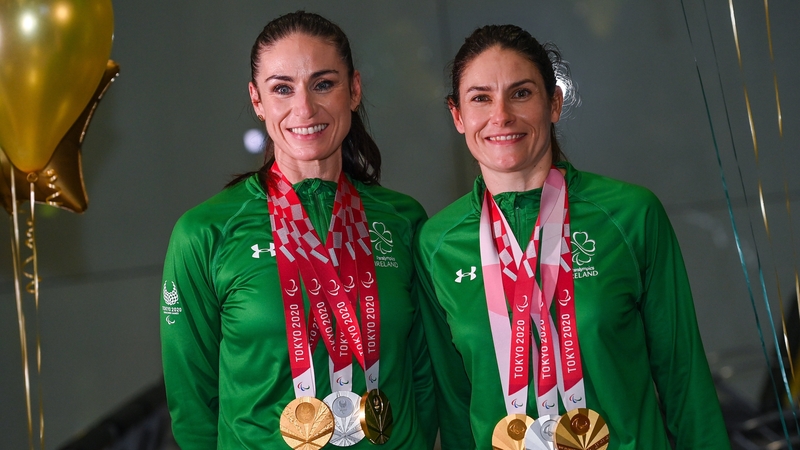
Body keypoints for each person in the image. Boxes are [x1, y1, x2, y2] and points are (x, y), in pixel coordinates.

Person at [415, 24, 730, 449]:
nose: (501, 115)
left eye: (521, 93)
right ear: (458, 116)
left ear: (554, 104)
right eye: (480, 98)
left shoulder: (630, 215)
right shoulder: (438, 243)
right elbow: (455, 406)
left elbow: (684, 380)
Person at [160, 11, 436, 449]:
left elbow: (424, 380)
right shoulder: (204, 232)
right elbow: (193, 408)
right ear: (257, 100)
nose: (304, 108)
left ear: (355, 89)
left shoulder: (403, 220)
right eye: (282, 89)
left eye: (323, 84)